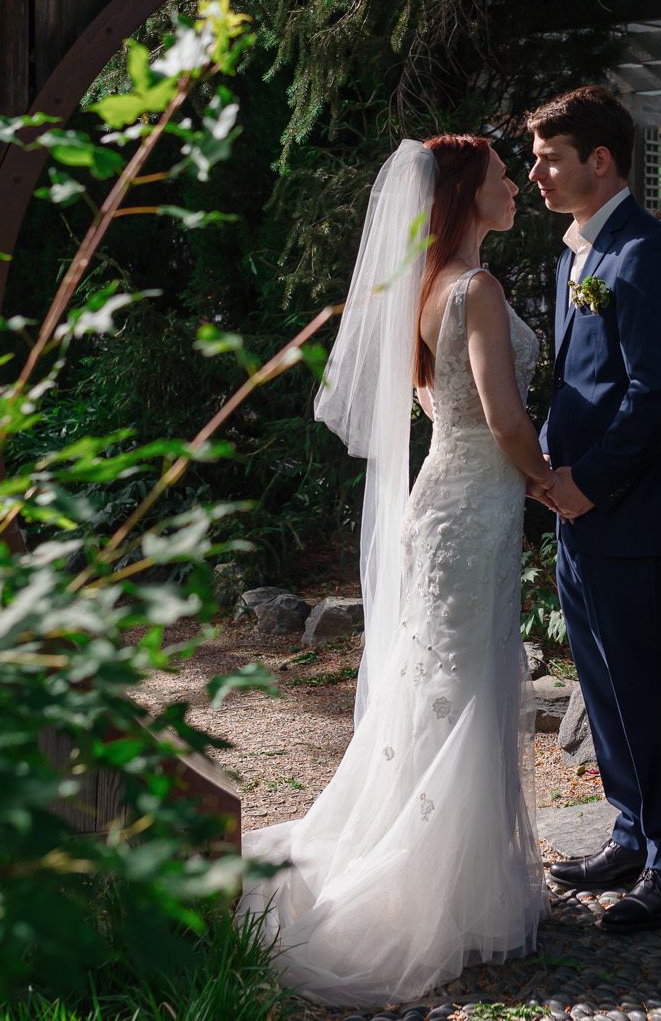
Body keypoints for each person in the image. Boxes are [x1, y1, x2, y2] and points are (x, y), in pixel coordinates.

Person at [240, 136, 551, 1006]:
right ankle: (437, 896)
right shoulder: (478, 289)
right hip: (477, 500)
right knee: (466, 686)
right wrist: (549, 482)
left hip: (440, 500)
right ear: (464, 194)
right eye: (500, 177)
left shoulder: (427, 288)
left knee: (445, 685)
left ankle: (460, 882)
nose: (514, 186)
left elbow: (438, 400)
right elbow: (500, 415)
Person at [525, 84, 661, 932]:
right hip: (576, 510)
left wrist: (589, 482)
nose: (534, 171)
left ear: (599, 160)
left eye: (550, 156)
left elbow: (654, 396)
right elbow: (581, 382)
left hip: (627, 511)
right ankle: (633, 831)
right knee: (603, 682)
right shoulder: (577, 256)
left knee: (651, 684)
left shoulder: (650, 255)